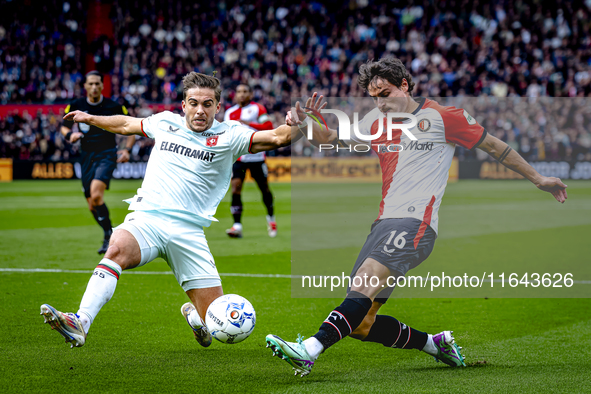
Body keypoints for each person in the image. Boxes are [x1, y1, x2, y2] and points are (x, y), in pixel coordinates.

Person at [266, 57, 568, 376]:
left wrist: (539, 178)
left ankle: (309, 349)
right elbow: (326, 140)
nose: (379, 103)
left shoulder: (442, 117)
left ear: (404, 86)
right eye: (374, 96)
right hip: (382, 226)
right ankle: (434, 344)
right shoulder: (373, 122)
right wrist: (304, 122)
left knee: (365, 282)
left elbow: (495, 147)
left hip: (415, 225)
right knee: (361, 323)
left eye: (384, 93)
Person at [40, 72, 295, 349]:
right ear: (183, 105)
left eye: (207, 104)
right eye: (194, 103)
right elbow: (126, 123)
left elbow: (278, 137)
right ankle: (81, 321)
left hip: (190, 232)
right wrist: (90, 118)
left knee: (214, 318)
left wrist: (300, 124)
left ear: (217, 107)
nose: (200, 110)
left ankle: (197, 320)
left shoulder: (230, 134)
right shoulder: (164, 122)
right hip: (148, 218)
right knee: (117, 248)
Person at [61, 71, 136, 254]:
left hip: (107, 154)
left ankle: (110, 236)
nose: (94, 87)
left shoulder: (113, 106)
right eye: (90, 84)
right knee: (91, 204)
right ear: (85, 86)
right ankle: (107, 232)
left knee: (96, 195)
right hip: (86, 156)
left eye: (97, 84)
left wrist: (126, 149)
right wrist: (71, 135)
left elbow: (132, 127)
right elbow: (64, 127)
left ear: (102, 86)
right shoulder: (76, 105)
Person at [224, 84, 277, 238]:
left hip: (257, 156)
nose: (242, 94)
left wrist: (248, 124)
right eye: (239, 91)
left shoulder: (258, 109)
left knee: (264, 189)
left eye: (245, 92)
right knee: (235, 188)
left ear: (250, 94)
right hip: (239, 157)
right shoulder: (230, 113)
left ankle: (271, 219)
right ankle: (237, 225)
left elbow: (268, 126)